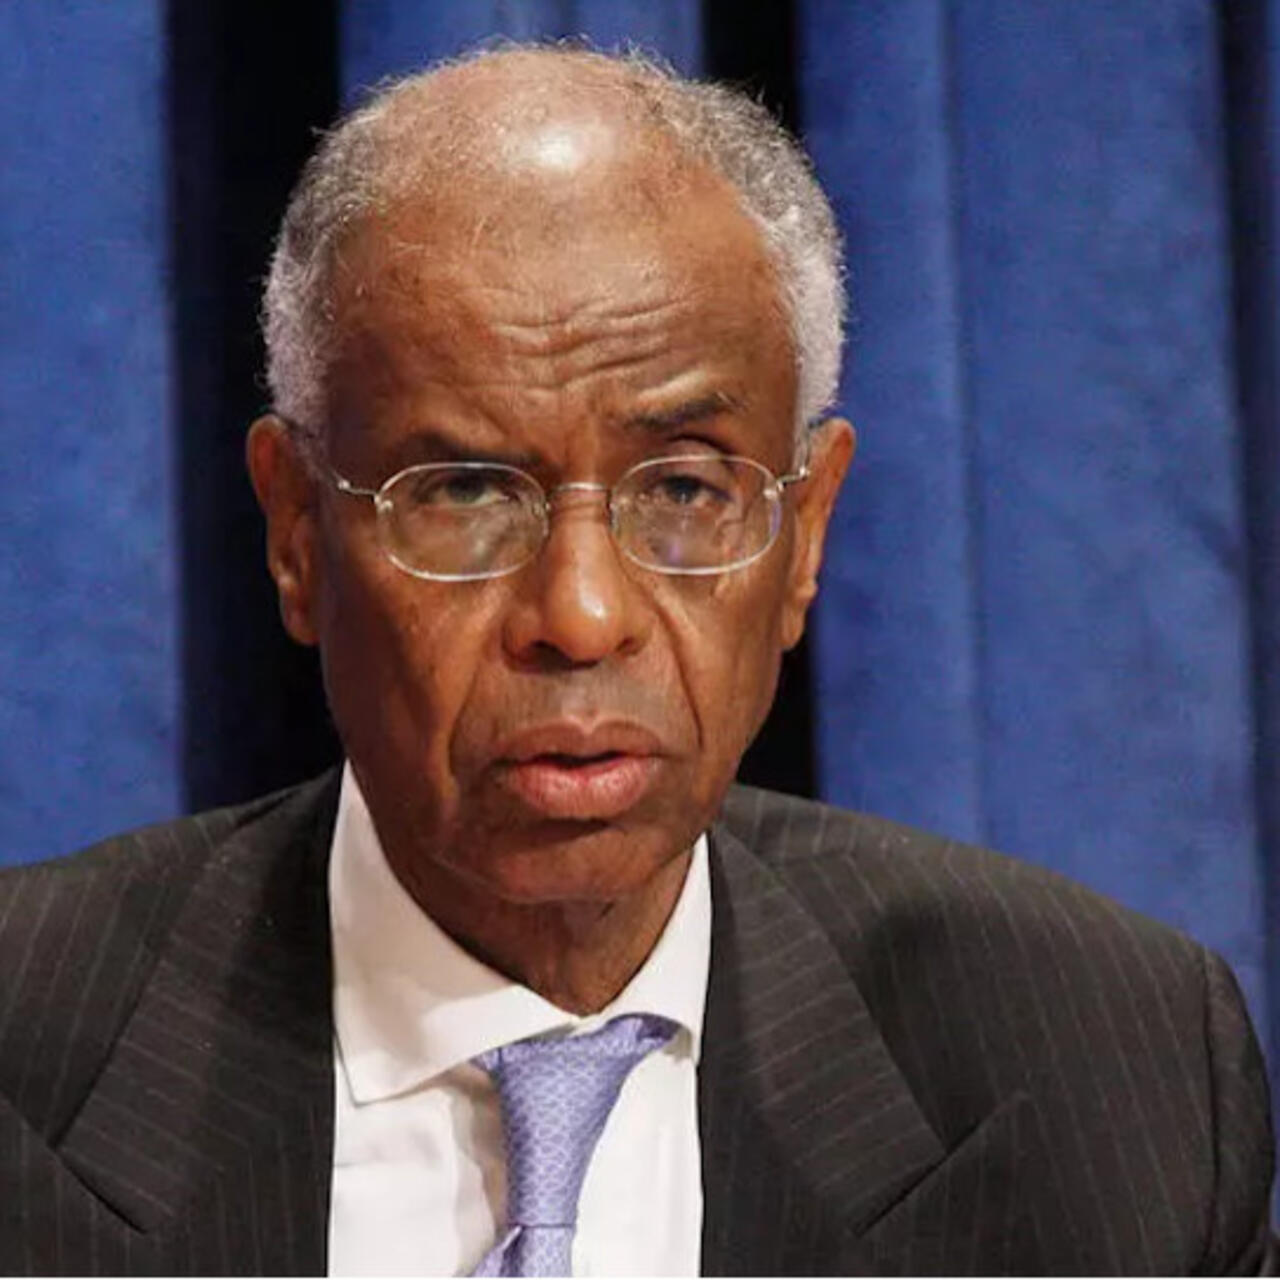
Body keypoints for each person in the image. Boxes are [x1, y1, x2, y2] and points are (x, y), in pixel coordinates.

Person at [0, 44, 1273, 1278]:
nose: (581, 613)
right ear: (294, 530)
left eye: (680, 488)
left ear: (805, 532)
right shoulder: (27, 1047)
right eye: (463, 489)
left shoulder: (1105, 1080)